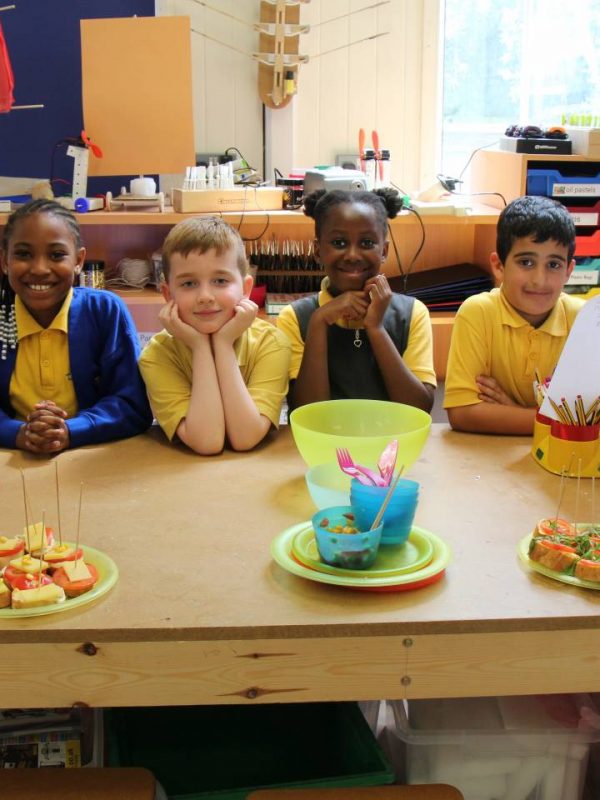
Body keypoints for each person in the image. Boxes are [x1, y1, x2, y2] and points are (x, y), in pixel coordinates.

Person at [0, 199, 153, 453]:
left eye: (56, 255)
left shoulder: (105, 311)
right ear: (4, 261)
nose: (39, 269)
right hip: (11, 458)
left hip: (91, 457)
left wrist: (70, 431)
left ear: (79, 260)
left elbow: (131, 405)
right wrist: (19, 433)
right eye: (24, 254)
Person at [139, 216, 291, 454]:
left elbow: (245, 437)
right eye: (189, 284)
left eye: (220, 281)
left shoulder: (271, 343)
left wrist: (223, 344)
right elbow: (207, 441)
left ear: (246, 289)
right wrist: (200, 347)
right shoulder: (157, 355)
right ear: (168, 295)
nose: (205, 296)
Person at [276, 189, 436, 410]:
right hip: (326, 434)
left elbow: (419, 408)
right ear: (318, 250)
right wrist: (319, 322)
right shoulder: (294, 317)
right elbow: (306, 411)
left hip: (391, 434)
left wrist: (376, 328)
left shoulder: (412, 313)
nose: (352, 255)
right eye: (339, 243)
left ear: (384, 251)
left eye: (367, 243)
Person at [444, 195, 584, 435]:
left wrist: (512, 411)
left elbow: (590, 419)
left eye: (553, 265)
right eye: (526, 262)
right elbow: (462, 413)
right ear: (499, 265)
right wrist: (552, 420)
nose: (539, 280)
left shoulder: (583, 320)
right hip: (490, 452)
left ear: (569, 271)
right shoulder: (477, 313)